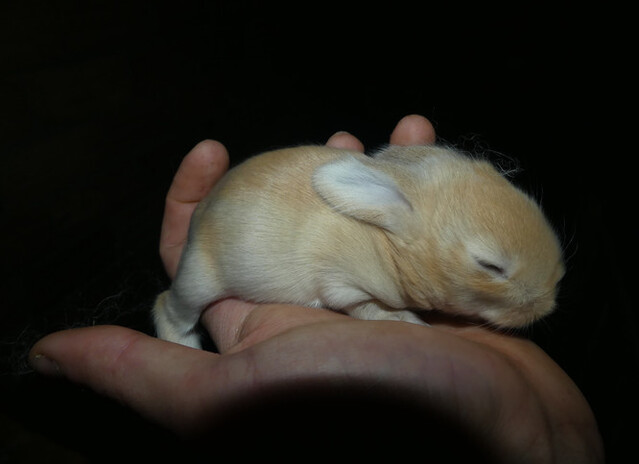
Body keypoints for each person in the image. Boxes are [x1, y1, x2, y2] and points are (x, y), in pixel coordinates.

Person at [29, 115, 603, 462]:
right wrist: (381, 311)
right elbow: (338, 284)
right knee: (197, 278)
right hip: (230, 240)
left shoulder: (404, 245)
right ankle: (174, 317)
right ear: (391, 217)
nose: (541, 304)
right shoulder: (362, 247)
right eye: (492, 267)